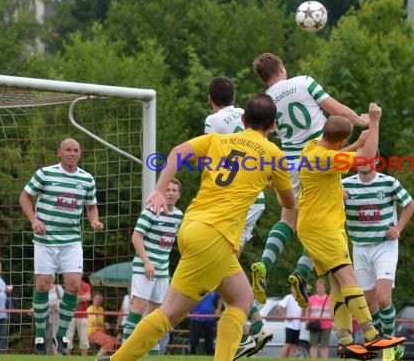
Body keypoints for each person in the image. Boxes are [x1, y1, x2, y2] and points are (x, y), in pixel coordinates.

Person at [99, 93, 294, 361]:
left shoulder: (218, 139)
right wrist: (271, 182)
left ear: (243, 118)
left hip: (193, 226)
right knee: (170, 313)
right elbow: (289, 202)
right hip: (215, 237)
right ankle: (117, 360)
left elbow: (178, 152)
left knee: (242, 299)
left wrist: (158, 190)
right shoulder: (274, 154)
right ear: (273, 126)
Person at [251, 53, 369, 309]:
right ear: (282, 67)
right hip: (320, 159)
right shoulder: (304, 82)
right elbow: (336, 109)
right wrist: (362, 121)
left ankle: (263, 264)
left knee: (288, 220)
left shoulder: (266, 101)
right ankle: (301, 273)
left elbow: (266, 136)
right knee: (319, 223)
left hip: (290, 163)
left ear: (263, 78)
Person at [296, 103, 405, 360]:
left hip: (316, 227)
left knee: (337, 285)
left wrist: (355, 144)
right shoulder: (325, 157)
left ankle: (345, 340)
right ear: (341, 138)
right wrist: (375, 122)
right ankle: (371, 334)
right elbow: (366, 160)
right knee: (349, 280)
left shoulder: (311, 148)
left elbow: (340, 155)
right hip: (323, 228)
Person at [203, 76, 273, 359]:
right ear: (236, 98)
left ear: (210, 99)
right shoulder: (249, 119)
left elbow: (212, 158)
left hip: (231, 202)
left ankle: (254, 327)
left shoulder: (214, 120)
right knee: (223, 263)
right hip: (254, 199)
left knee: (218, 266)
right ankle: (256, 326)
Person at [19, 137, 104, 355]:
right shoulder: (45, 173)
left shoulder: (87, 179)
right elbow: (24, 197)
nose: (72, 153)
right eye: (68, 149)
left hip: (71, 241)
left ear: (80, 153)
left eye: (76, 150)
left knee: (74, 286)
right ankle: (40, 335)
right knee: (43, 285)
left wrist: (94, 220)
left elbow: (91, 207)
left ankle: (62, 335)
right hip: (46, 240)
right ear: (59, 152)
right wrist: (34, 220)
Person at [342, 152, 414, 360]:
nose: (363, 162)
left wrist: (399, 227)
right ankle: (376, 343)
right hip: (359, 247)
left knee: (384, 299)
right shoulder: (344, 185)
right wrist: (336, 194)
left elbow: (410, 204)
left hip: (385, 246)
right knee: (369, 304)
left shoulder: (389, 182)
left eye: (368, 158)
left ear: (375, 160)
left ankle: (391, 345)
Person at [121, 179, 183, 356]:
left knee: (156, 314)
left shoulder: (179, 216)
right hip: (144, 266)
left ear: (179, 195)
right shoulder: (150, 211)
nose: (170, 193)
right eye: (167, 189)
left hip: (162, 270)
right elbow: (136, 237)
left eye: (174, 190)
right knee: (139, 308)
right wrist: (147, 262)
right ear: (161, 193)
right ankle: (124, 352)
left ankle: (153, 355)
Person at [189, 290, 222, 355]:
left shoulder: (213, 288)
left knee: (210, 341)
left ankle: (209, 354)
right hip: (196, 318)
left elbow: (220, 297)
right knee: (193, 341)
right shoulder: (196, 285)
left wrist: (218, 309)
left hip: (209, 318)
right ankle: (191, 353)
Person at [305, 278, 332, 359]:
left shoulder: (330, 299)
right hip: (314, 325)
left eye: (321, 287)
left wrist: (334, 323)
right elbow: (307, 311)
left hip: (327, 325)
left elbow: (334, 312)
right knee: (313, 344)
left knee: (325, 345)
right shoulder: (311, 299)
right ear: (316, 288)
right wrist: (307, 321)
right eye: (318, 287)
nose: (320, 289)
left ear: (325, 288)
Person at [67, 274, 92, 356]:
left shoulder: (86, 286)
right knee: (68, 338)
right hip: (70, 316)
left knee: (84, 339)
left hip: (83, 316)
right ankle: (65, 358)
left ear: (82, 275)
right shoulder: (69, 284)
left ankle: (84, 358)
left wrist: (76, 298)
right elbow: (67, 299)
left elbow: (88, 297)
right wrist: (82, 298)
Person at [277, 286, 303, 358]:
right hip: (290, 325)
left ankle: (291, 359)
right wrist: (285, 317)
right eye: (294, 288)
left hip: (298, 326)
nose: (295, 290)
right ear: (291, 289)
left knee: (294, 345)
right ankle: (282, 359)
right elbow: (279, 307)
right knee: (288, 344)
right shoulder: (288, 297)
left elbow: (304, 309)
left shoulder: (301, 298)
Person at [87, 292, 116, 357]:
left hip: (101, 332)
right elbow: (95, 323)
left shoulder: (101, 309)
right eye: (98, 299)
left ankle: (106, 357)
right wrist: (105, 324)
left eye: (101, 299)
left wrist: (105, 325)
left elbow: (100, 323)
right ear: (93, 299)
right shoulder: (90, 309)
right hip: (93, 332)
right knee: (109, 342)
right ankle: (97, 358)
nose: (99, 300)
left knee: (115, 341)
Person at [46, 276, 64, 355]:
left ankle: (57, 353)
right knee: (46, 336)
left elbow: (64, 301)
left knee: (55, 334)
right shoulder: (43, 288)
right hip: (45, 315)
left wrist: (57, 304)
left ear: (53, 279)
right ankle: (46, 353)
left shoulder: (58, 288)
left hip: (56, 315)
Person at [0, 261, 12, 353]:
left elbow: (7, 297)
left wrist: (9, 291)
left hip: (3, 316)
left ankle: (1, 356)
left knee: (3, 339)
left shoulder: (3, 281)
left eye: (0, 268)